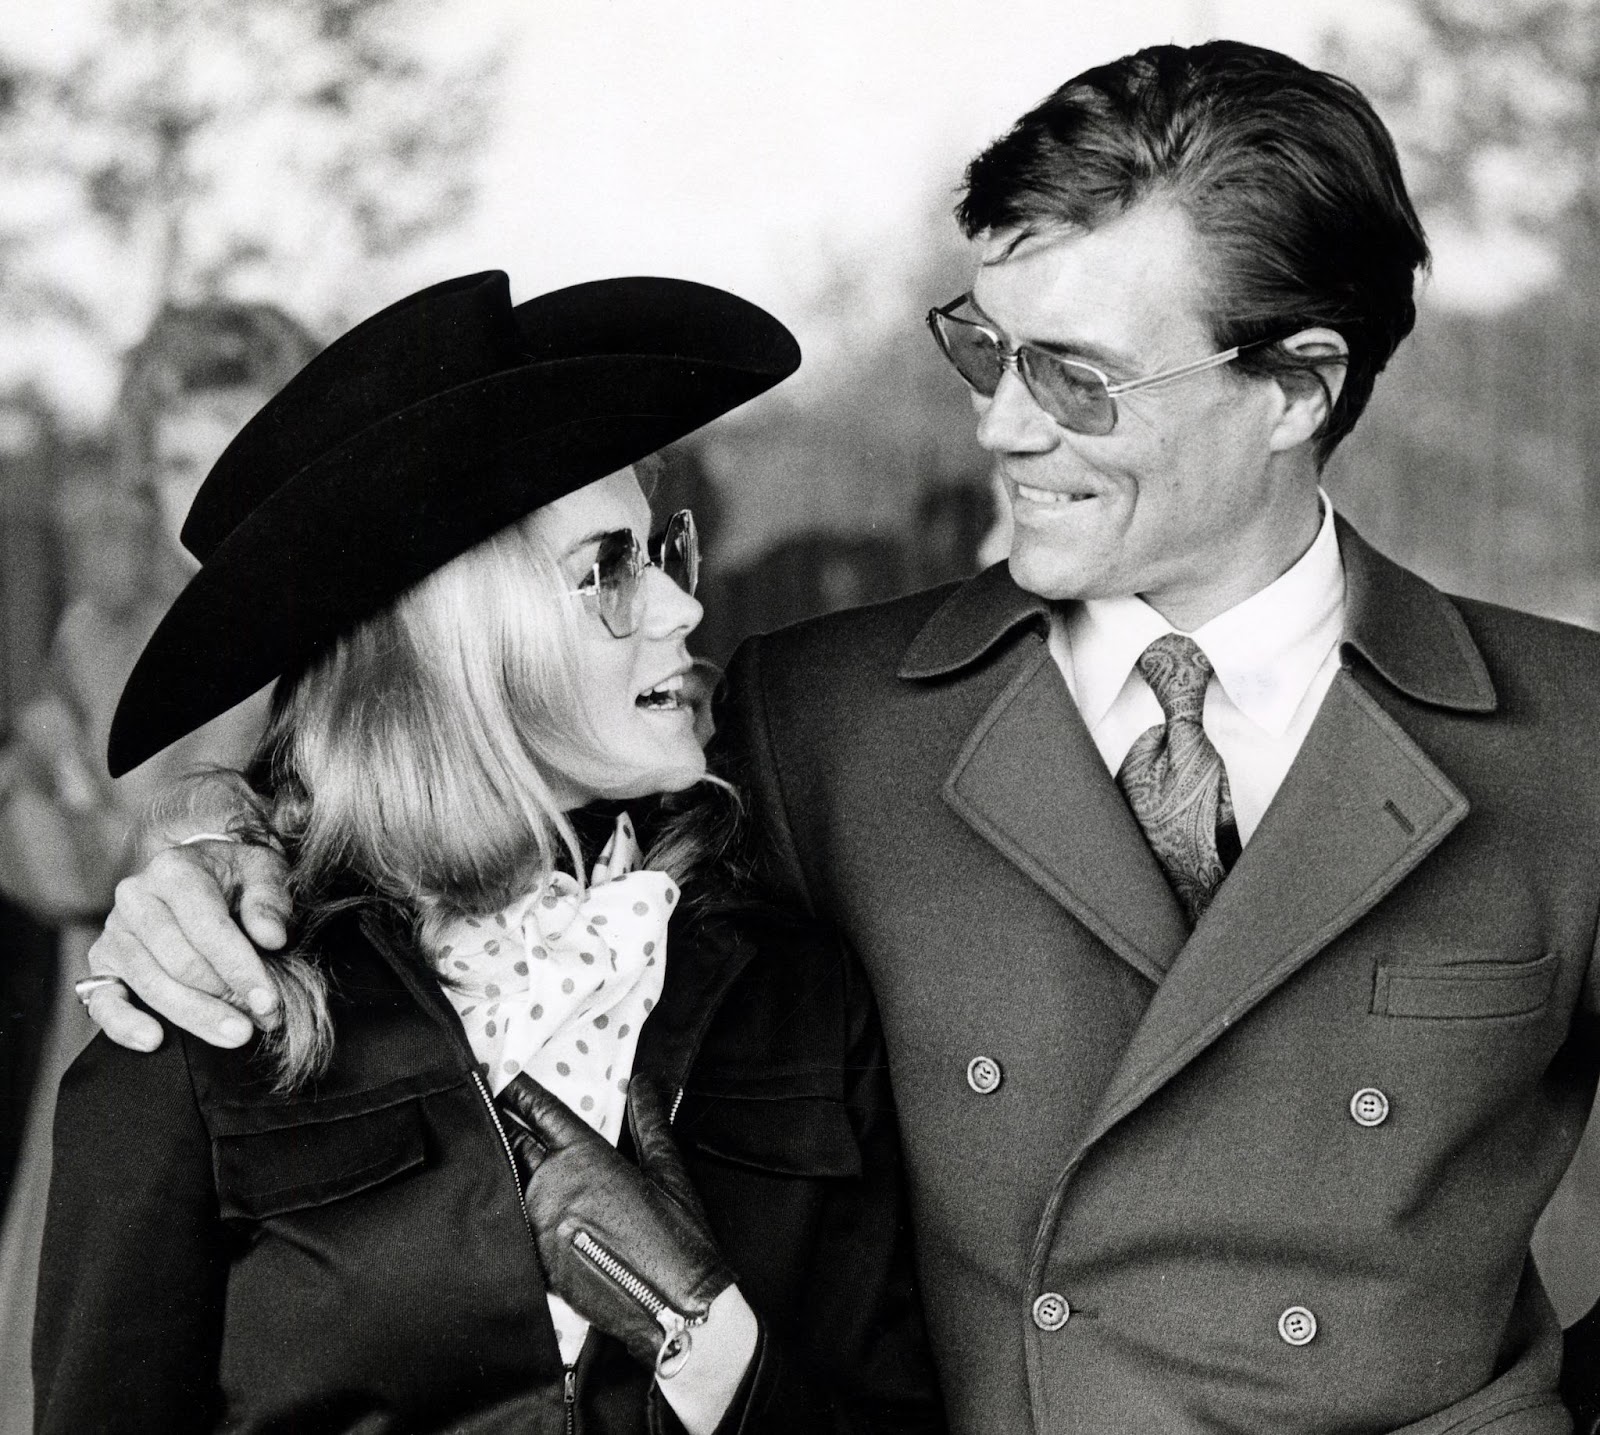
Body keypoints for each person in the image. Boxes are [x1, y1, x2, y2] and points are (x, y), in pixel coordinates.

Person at [77, 41, 1600, 1434]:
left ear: (1296, 386)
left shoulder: (1575, 741)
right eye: (984, 347)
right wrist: (214, 849)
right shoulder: (819, 717)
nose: (1002, 425)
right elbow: (456, 767)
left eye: (1077, 375)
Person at [34, 271, 942, 1434]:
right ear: (453, 639)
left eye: (664, 550)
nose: (675, 606)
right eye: (607, 569)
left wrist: (712, 1343)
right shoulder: (204, 1016)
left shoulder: (796, 993)